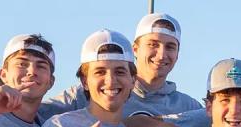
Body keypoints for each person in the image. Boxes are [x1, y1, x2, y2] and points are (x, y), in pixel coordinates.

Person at [46, 13, 201, 120]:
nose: (161, 55)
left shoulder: (188, 106)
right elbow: (33, 112)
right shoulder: (90, 92)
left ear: (178, 53)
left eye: (170, 47)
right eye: (153, 44)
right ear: (135, 49)